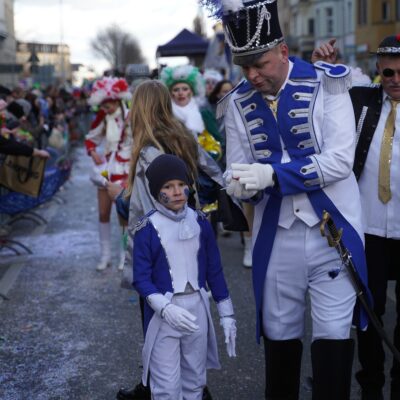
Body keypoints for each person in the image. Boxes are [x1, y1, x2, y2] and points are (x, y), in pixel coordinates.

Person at [202, 0, 371, 398]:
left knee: (333, 336)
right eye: (244, 67)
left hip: (333, 233)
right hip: (277, 236)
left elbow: (340, 161)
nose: (252, 75)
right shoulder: (237, 102)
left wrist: (273, 175)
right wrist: (239, 184)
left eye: (259, 64)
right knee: (279, 335)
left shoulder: (329, 83)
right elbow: (237, 165)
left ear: (283, 51)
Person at [113, 80, 219, 400]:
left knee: (159, 322)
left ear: (140, 107)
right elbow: (214, 170)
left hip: (160, 251)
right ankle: (174, 385)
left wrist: (120, 197)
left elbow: (149, 209)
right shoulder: (182, 136)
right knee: (184, 322)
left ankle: (168, 389)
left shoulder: (148, 150)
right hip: (189, 241)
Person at [311, 34, 400, 400]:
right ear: (378, 69)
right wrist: (323, 63)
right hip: (367, 228)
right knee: (368, 311)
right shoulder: (361, 99)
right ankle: (371, 387)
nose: (395, 80)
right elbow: (323, 97)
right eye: (389, 72)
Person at [132, 153, 236, 400]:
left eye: (181, 184)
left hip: (197, 306)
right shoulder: (147, 228)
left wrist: (226, 313)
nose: (177, 192)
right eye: (168, 186)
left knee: (195, 382)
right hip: (164, 313)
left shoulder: (200, 221)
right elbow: (141, 279)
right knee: (166, 386)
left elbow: (214, 270)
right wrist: (165, 308)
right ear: (156, 191)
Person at [84, 76, 132, 271]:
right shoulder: (103, 117)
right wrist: (93, 152)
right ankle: (105, 256)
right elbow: (91, 139)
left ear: (118, 100)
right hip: (106, 170)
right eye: (103, 106)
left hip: (125, 170)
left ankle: (124, 255)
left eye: (108, 105)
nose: (106, 109)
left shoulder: (131, 116)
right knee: (103, 213)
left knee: (123, 215)